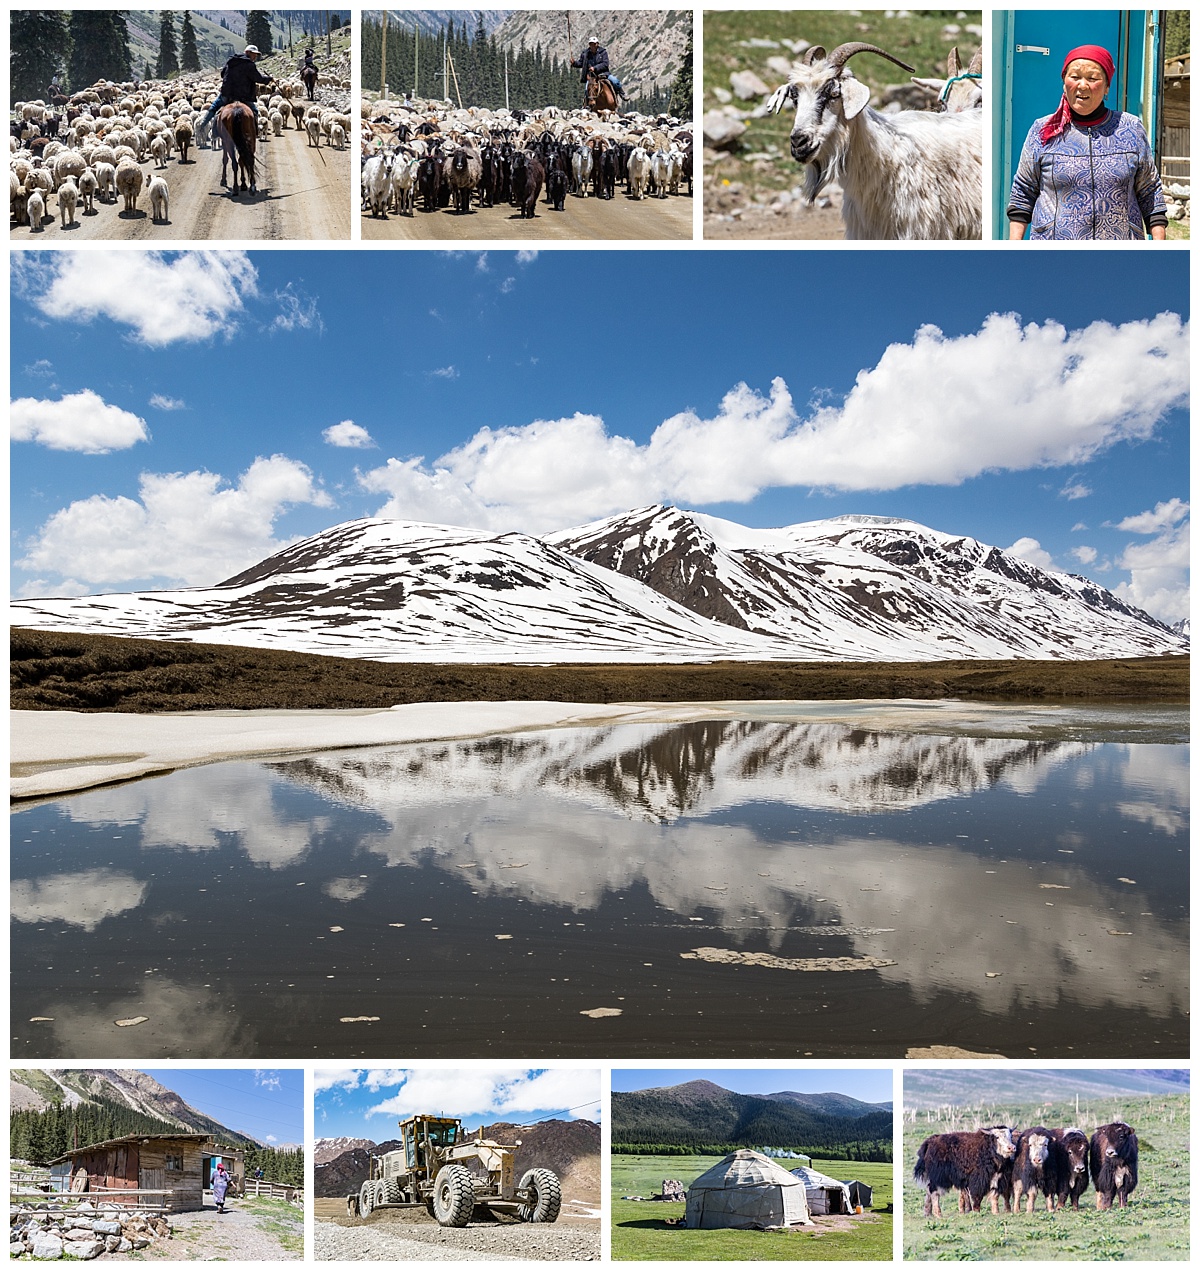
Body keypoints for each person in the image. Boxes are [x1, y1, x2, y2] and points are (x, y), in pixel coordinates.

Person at [1007, 44, 1166, 240]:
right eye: (1074, 77)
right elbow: (1023, 191)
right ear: (1064, 82)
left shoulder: (1130, 128)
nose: (1082, 85)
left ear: (1107, 86)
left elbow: (1150, 190)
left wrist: (1158, 245)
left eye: (1092, 78)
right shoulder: (1043, 130)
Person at [199, 44, 274, 136]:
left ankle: (203, 126)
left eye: (256, 55)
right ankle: (255, 132)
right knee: (254, 111)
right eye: (253, 54)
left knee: (214, 108)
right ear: (247, 53)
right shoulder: (249, 64)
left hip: (228, 93)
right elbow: (258, 78)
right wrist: (269, 79)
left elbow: (223, 74)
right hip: (244, 96)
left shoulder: (231, 61)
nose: (255, 56)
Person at [571, 37, 627, 102]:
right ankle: (586, 104)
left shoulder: (603, 52)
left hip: (604, 74)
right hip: (592, 77)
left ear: (597, 44)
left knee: (615, 81)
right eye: (591, 44)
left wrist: (595, 68)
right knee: (587, 89)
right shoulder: (585, 54)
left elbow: (605, 64)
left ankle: (622, 94)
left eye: (594, 44)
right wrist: (574, 63)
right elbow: (581, 63)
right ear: (589, 44)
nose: (593, 46)